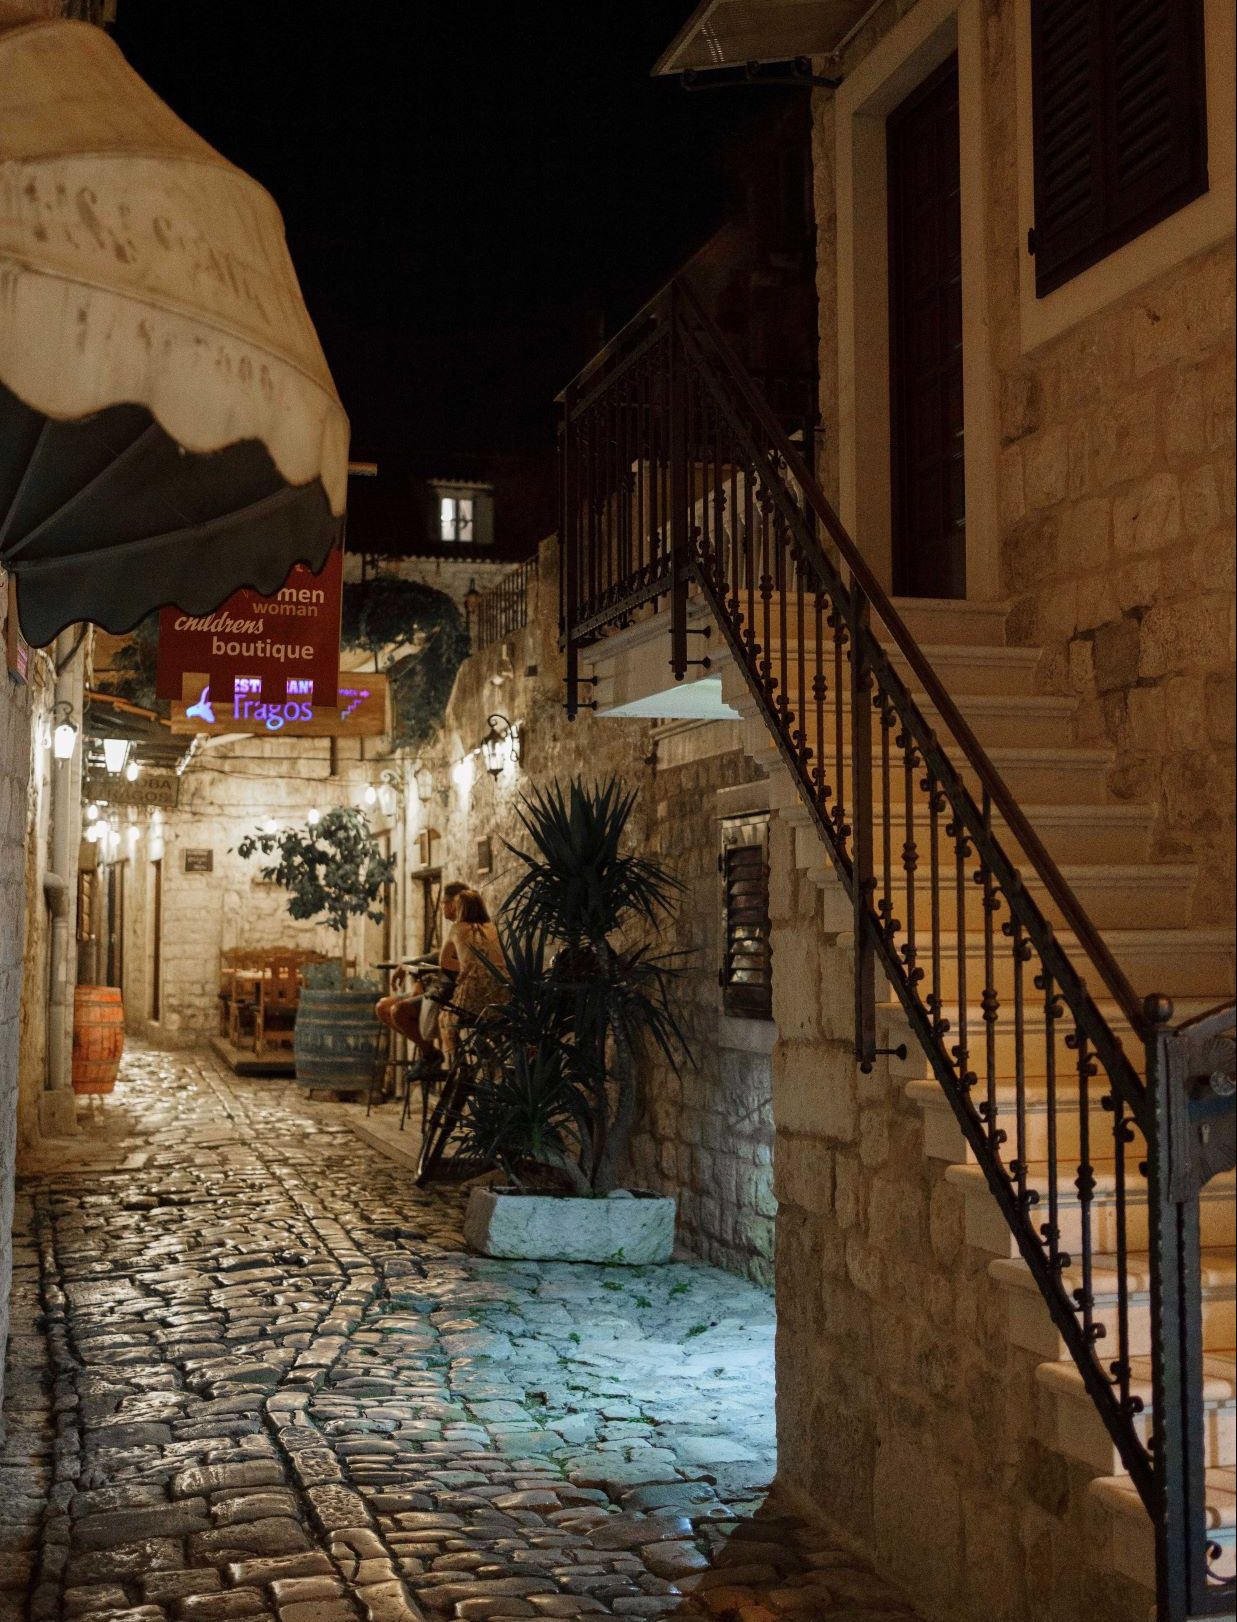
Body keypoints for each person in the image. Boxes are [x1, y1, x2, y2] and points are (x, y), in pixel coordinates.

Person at [375, 880, 466, 1061]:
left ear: (453, 904)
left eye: (444, 903)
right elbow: (441, 956)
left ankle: (430, 1057)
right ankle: (429, 1053)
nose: (442, 908)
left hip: (446, 994)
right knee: (383, 1007)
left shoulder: (463, 929)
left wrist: (420, 977)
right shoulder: (458, 928)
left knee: (398, 1011)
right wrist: (413, 971)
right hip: (435, 988)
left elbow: (445, 960)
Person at [438, 888, 504, 1059]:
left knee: (445, 1020)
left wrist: (468, 968)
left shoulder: (457, 928)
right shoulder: (493, 927)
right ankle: (495, 1059)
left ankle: (458, 1066)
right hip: (501, 994)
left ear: (461, 909)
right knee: (493, 1025)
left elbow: (444, 962)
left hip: (471, 996)